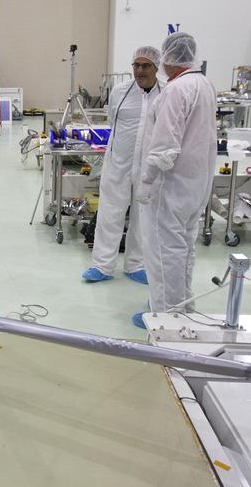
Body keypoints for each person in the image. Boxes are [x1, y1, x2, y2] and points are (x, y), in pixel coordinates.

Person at [132, 32, 217, 328]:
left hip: (168, 188)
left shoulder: (175, 90)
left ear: (166, 59)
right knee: (183, 249)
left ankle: (166, 319)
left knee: (163, 253)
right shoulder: (203, 84)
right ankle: (183, 308)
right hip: (194, 186)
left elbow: (165, 146)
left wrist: (145, 183)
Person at [82, 45, 163, 284]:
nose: (139, 70)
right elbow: (112, 122)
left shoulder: (166, 93)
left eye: (145, 65)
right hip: (118, 162)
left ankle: (136, 264)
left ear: (156, 67)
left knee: (143, 217)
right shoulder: (120, 91)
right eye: (136, 65)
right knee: (110, 213)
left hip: (149, 167)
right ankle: (102, 265)